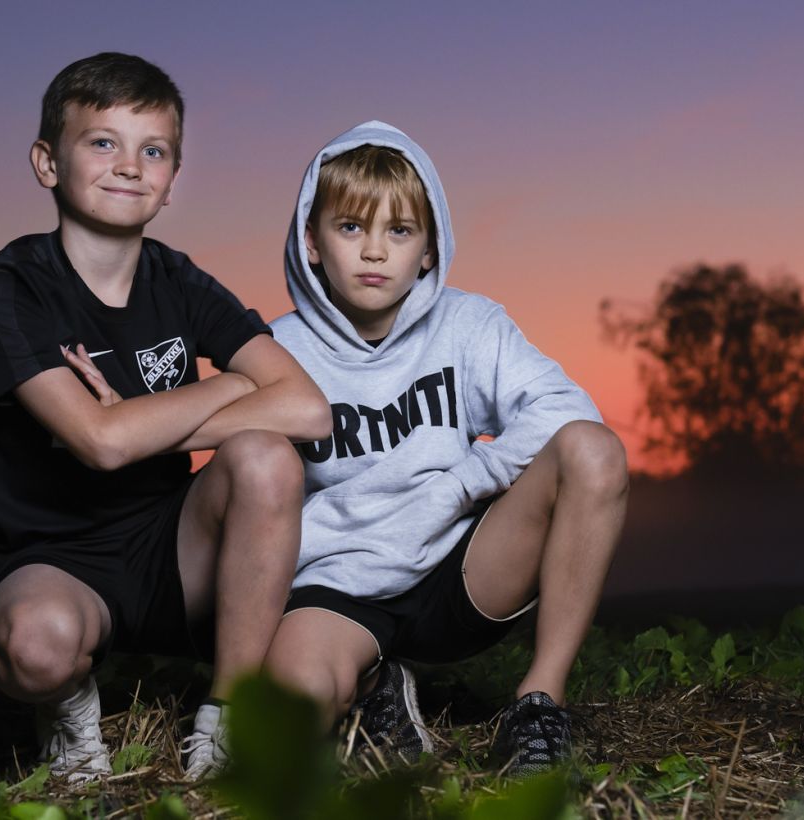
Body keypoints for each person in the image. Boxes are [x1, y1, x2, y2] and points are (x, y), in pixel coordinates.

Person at [0, 52, 330, 782]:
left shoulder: (180, 279)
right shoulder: (11, 285)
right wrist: (227, 387)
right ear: (46, 162)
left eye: (152, 150)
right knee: (36, 648)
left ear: (170, 182)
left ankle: (228, 716)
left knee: (268, 457)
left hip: (172, 548)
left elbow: (308, 408)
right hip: (51, 556)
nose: (129, 165)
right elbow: (98, 446)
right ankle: (69, 711)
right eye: (102, 142)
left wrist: (137, 418)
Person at [264, 122, 628, 775]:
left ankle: (538, 704)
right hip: (340, 583)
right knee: (289, 717)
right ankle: (376, 687)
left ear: (430, 249)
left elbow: (567, 410)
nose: (374, 251)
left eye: (398, 232)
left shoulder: (469, 323)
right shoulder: (276, 347)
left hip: (457, 569)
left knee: (592, 452)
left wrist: (463, 483)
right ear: (311, 241)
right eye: (351, 228)